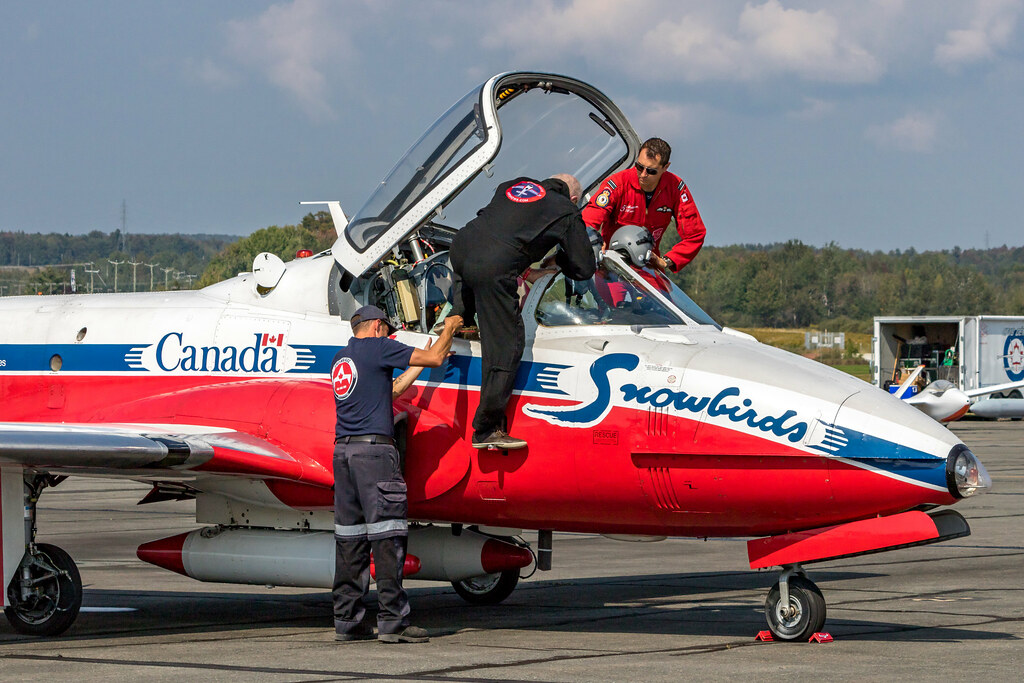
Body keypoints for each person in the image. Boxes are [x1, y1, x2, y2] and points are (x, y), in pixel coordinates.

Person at [331, 304, 462, 643]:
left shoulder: (343, 360)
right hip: (375, 455)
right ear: (376, 326)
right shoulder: (380, 347)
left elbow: (388, 392)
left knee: (350, 541)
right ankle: (393, 622)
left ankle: (348, 622)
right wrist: (449, 329)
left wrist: (416, 371)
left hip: (344, 454)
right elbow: (435, 358)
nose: (389, 334)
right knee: (388, 536)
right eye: (387, 329)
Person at [450, 174, 597, 449]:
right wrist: (560, 258)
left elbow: (499, 230)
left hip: (462, 246)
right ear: (574, 199)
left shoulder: (513, 184)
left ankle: (460, 317)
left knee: (469, 289)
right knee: (507, 343)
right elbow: (584, 267)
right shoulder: (566, 210)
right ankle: (487, 429)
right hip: (492, 268)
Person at [582, 137, 706, 273]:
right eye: (639, 167)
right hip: (611, 265)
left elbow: (695, 234)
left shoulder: (676, 188)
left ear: (665, 167)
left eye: (651, 171)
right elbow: (588, 221)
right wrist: (595, 242)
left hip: (648, 266)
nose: (643, 174)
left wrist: (667, 260)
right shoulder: (617, 183)